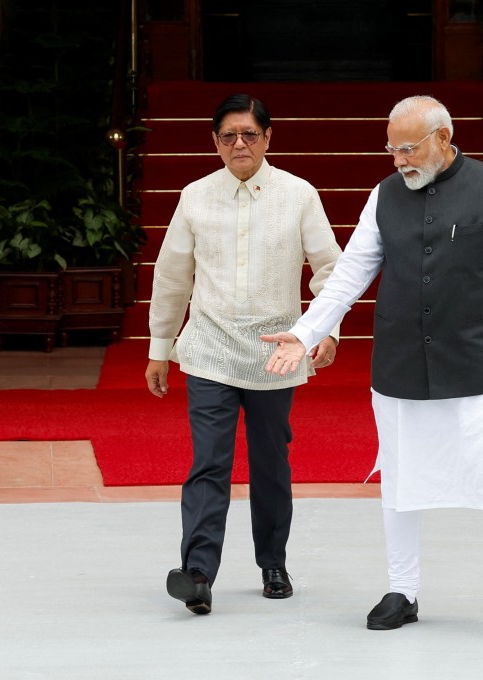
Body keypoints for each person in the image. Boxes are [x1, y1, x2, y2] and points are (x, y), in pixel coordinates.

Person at [262, 95, 483, 638]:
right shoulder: (383, 196)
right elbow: (351, 272)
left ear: (443, 139)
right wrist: (306, 334)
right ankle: (403, 590)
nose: (398, 159)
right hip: (400, 367)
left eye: (408, 147)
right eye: (391, 148)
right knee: (400, 482)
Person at [146, 93, 342, 615]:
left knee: (271, 464)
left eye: (250, 135)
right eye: (229, 136)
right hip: (209, 348)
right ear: (214, 142)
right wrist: (160, 347)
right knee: (209, 462)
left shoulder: (298, 195)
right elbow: (171, 277)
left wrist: (324, 330)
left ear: (268, 138)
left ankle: (272, 562)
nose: (239, 144)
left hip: (275, 351)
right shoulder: (194, 196)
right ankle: (198, 573)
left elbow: (331, 269)